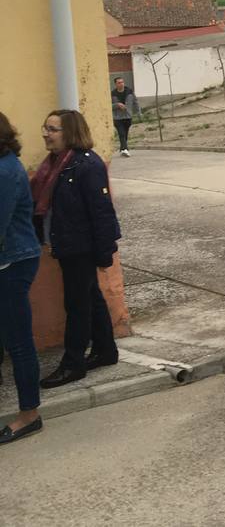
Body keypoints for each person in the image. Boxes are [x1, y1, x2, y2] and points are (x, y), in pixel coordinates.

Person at [32, 110, 120, 388]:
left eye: (53, 129)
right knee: (90, 297)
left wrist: (105, 251)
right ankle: (106, 350)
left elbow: (102, 212)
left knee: (77, 304)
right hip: (67, 243)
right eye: (45, 128)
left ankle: (73, 364)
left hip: (80, 246)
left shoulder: (86, 165)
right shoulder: (55, 164)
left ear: (70, 132)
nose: (46, 133)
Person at [0, 113, 42, 444]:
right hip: (9, 259)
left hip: (13, 262)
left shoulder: (5, 171)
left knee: (19, 341)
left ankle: (30, 415)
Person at [110, 77, 139, 157]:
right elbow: (108, 105)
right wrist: (117, 105)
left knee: (125, 134)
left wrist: (138, 113)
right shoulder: (112, 94)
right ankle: (125, 149)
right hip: (117, 118)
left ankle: (122, 148)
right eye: (119, 82)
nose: (121, 84)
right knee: (121, 133)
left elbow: (135, 102)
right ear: (115, 84)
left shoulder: (129, 91)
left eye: (122, 82)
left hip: (128, 116)